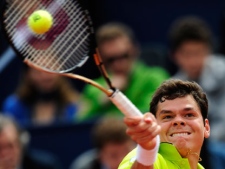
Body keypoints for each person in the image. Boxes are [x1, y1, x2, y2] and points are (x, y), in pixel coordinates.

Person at [77, 22, 169, 121]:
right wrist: (103, 99)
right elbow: (78, 123)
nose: (118, 63)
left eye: (123, 56)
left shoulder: (155, 78)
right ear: (102, 59)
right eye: (111, 59)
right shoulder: (93, 89)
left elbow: (150, 115)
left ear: (135, 50)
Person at [118, 79, 210, 169]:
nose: (178, 121)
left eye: (189, 115)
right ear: (155, 127)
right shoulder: (145, 158)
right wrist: (146, 152)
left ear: (206, 127)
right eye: (168, 117)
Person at [169, 16, 225, 142]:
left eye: (198, 52)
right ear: (174, 56)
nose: (193, 61)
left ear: (208, 51)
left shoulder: (223, 72)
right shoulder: (173, 87)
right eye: (187, 54)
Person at [2, 64, 79, 126]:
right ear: (28, 75)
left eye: (49, 68)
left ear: (60, 71)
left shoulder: (77, 105)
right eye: (38, 71)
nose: (45, 76)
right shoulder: (13, 107)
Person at [69, 117, 136, 169]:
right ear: (101, 156)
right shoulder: (83, 167)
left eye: (127, 152)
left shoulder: (144, 161)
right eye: (114, 155)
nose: (122, 159)